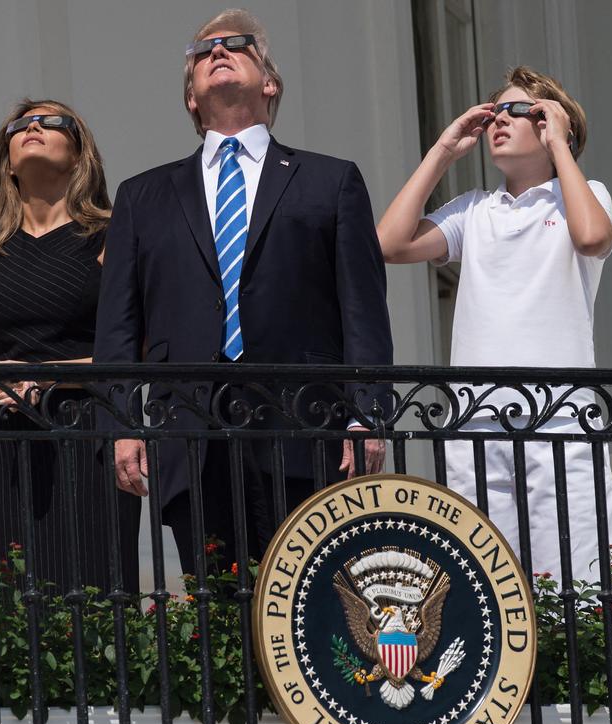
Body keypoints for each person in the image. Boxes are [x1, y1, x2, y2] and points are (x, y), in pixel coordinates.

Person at [94, 9, 393, 575]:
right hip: (190, 430)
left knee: (311, 606)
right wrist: (122, 426)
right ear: (191, 97)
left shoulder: (330, 181)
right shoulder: (144, 196)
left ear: (270, 82)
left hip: (305, 424)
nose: (218, 52)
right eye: (203, 51)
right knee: (213, 614)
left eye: (236, 45)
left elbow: (364, 308)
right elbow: (118, 326)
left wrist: (367, 415)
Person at [377, 66, 612, 582]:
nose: (499, 123)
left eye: (518, 112)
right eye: (494, 114)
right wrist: (443, 150)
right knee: (484, 591)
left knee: (576, 588)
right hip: (475, 423)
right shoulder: (474, 211)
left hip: (560, 418)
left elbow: (593, 237)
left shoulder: (584, 192)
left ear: (554, 124)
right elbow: (389, 243)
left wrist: (560, 147)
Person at [0, 98, 140, 594]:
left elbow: (135, 355)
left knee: (96, 593)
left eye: (52, 122)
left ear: (78, 155)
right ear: (8, 161)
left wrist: (52, 373)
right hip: (10, 442)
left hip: (90, 432)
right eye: (20, 125)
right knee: (15, 603)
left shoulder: (112, 237)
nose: (33, 127)